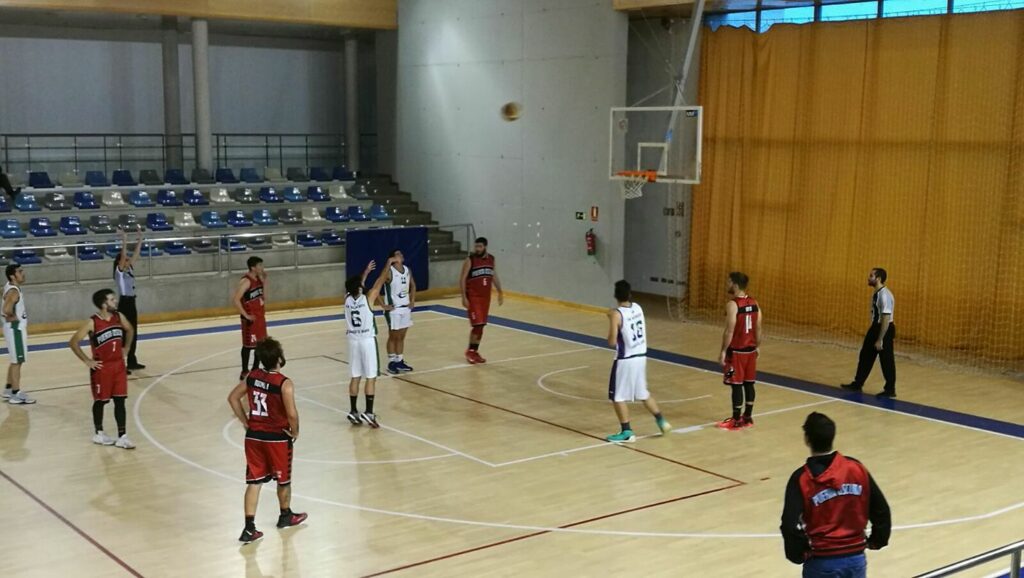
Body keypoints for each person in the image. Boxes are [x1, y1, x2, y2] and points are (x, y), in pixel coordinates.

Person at [780, 412, 891, 577]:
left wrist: (798, 554)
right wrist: (876, 540)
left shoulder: (802, 478)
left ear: (807, 440)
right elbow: (880, 509)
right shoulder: (856, 468)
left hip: (822, 561)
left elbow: (790, 524)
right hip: (855, 559)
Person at [226, 337, 307, 544]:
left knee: (254, 482)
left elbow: (233, 398)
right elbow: (292, 414)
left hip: (253, 436)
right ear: (279, 358)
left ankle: (249, 527)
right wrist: (295, 431)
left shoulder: (252, 376)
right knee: (284, 480)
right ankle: (285, 514)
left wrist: (245, 422)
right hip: (277, 438)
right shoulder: (284, 383)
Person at [604, 280, 671, 442]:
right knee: (643, 393)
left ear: (615, 295)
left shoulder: (616, 314)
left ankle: (627, 431)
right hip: (641, 357)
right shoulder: (638, 307)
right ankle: (662, 421)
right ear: (630, 294)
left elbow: (612, 342)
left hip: (625, 360)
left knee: (617, 396)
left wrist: (611, 319)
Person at [68, 289, 136, 449]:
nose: (115, 302)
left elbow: (130, 329)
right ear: (104, 304)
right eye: (112, 300)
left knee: (120, 400)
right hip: (101, 367)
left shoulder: (119, 317)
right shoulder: (92, 322)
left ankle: (122, 436)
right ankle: (99, 433)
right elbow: (73, 342)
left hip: (118, 365)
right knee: (101, 401)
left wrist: (126, 348)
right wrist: (87, 360)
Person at [345, 260, 390, 428]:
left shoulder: (347, 299)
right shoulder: (368, 298)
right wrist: (388, 265)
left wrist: (365, 272)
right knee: (371, 377)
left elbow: (358, 285)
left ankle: (353, 411)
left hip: (353, 342)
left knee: (355, 376)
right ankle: (369, 412)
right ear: (359, 288)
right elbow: (380, 281)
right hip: (366, 341)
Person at [841, 268, 896, 398]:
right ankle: (858, 383)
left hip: (884, 329)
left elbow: (886, 318)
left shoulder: (884, 295)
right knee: (865, 355)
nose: (868, 278)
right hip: (875, 327)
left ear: (878, 278)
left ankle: (890, 389)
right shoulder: (877, 293)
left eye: (871, 276)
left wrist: (880, 339)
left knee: (886, 360)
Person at [717, 272, 762, 431]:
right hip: (750, 352)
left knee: (734, 383)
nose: (726, 284)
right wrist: (757, 346)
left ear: (735, 284)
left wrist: (723, 351)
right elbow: (758, 328)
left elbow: (729, 330)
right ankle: (748, 417)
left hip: (736, 352)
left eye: (728, 282)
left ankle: (735, 419)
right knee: (749, 383)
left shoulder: (733, 304)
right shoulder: (754, 303)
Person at [459, 237, 503, 364]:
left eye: (480, 247)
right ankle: (470, 352)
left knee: (481, 325)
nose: (477, 249)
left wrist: (500, 291)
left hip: (485, 298)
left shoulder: (491, 259)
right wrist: (463, 297)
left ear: (485, 247)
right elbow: (462, 279)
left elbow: (493, 275)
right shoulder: (470, 260)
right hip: (473, 297)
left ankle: (475, 350)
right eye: (476, 246)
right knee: (477, 325)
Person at [379, 249, 416, 374]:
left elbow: (413, 285)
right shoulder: (389, 271)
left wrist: (412, 300)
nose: (401, 255)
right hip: (393, 309)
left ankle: (399, 360)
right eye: (398, 254)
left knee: (401, 336)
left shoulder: (407, 270)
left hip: (405, 307)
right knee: (393, 336)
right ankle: (391, 362)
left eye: (401, 253)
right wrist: (383, 305)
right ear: (392, 258)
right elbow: (377, 286)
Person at [1, 264, 34, 405]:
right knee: (17, 362)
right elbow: (6, 309)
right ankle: (16, 393)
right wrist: (12, 316)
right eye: (20, 272)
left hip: (11, 329)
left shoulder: (8, 286)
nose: (23, 273)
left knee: (15, 360)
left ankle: (8, 389)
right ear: (12, 276)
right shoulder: (14, 291)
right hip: (16, 330)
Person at [114, 229, 146, 373]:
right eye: (125, 259)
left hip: (132, 303)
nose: (128, 260)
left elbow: (136, 254)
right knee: (124, 333)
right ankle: (120, 363)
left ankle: (132, 361)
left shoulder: (129, 269)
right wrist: (125, 240)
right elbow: (124, 255)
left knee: (133, 332)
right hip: (124, 304)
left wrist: (140, 239)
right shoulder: (119, 273)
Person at [234, 256, 268, 381]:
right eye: (259, 266)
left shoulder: (259, 279)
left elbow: (263, 297)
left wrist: (264, 281)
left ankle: (255, 369)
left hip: (260, 317)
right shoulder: (246, 281)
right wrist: (246, 315)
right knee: (248, 346)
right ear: (253, 267)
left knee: (260, 344)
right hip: (250, 318)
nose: (262, 268)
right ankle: (244, 370)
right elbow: (236, 299)